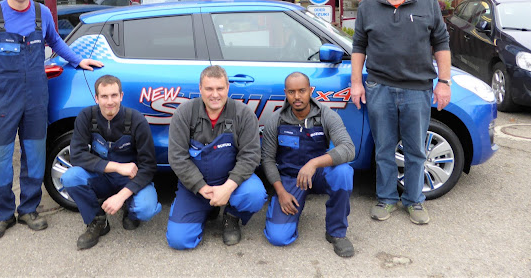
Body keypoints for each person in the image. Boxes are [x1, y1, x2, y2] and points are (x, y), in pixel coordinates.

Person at [0, 0, 104, 242]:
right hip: (1, 101)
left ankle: (29, 209)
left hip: (35, 99)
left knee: (35, 155)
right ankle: (3, 214)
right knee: (0, 160)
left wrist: (79, 60)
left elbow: (56, 42)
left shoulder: (42, 13)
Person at [350, 0, 451, 225]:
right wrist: (357, 82)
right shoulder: (367, 6)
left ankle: (415, 200)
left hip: (418, 89)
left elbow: (441, 43)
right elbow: (359, 45)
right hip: (379, 86)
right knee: (383, 148)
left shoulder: (428, 2)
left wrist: (444, 82)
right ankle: (386, 199)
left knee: (416, 149)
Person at [166, 65, 267, 249]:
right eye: (209, 89)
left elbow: (250, 155)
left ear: (227, 88)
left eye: (220, 88)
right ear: (200, 89)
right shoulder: (184, 113)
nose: (215, 94)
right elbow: (177, 157)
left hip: (230, 182)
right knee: (179, 241)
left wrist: (228, 188)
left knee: (255, 194)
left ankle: (232, 216)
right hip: (195, 187)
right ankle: (205, 209)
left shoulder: (243, 114)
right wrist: (201, 188)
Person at [61, 75, 162, 250]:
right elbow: (77, 155)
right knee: (70, 177)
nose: (110, 102)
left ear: (121, 96)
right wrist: (117, 167)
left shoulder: (136, 120)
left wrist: (121, 197)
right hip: (101, 176)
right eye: (104, 96)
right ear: (96, 98)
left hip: (130, 180)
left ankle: (130, 211)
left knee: (146, 209)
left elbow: (149, 166)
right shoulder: (86, 116)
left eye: (114, 96)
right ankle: (97, 220)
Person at [262, 72, 355, 257]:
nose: (297, 97)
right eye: (291, 92)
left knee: (344, 172)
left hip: (318, 174)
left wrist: (314, 163)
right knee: (278, 237)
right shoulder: (276, 120)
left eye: (302, 91)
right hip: (290, 179)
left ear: (310, 90)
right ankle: (290, 208)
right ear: (285, 93)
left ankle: (336, 232)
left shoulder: (327, 115)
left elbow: (348, 148)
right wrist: (280, 192)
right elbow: (267, 159)